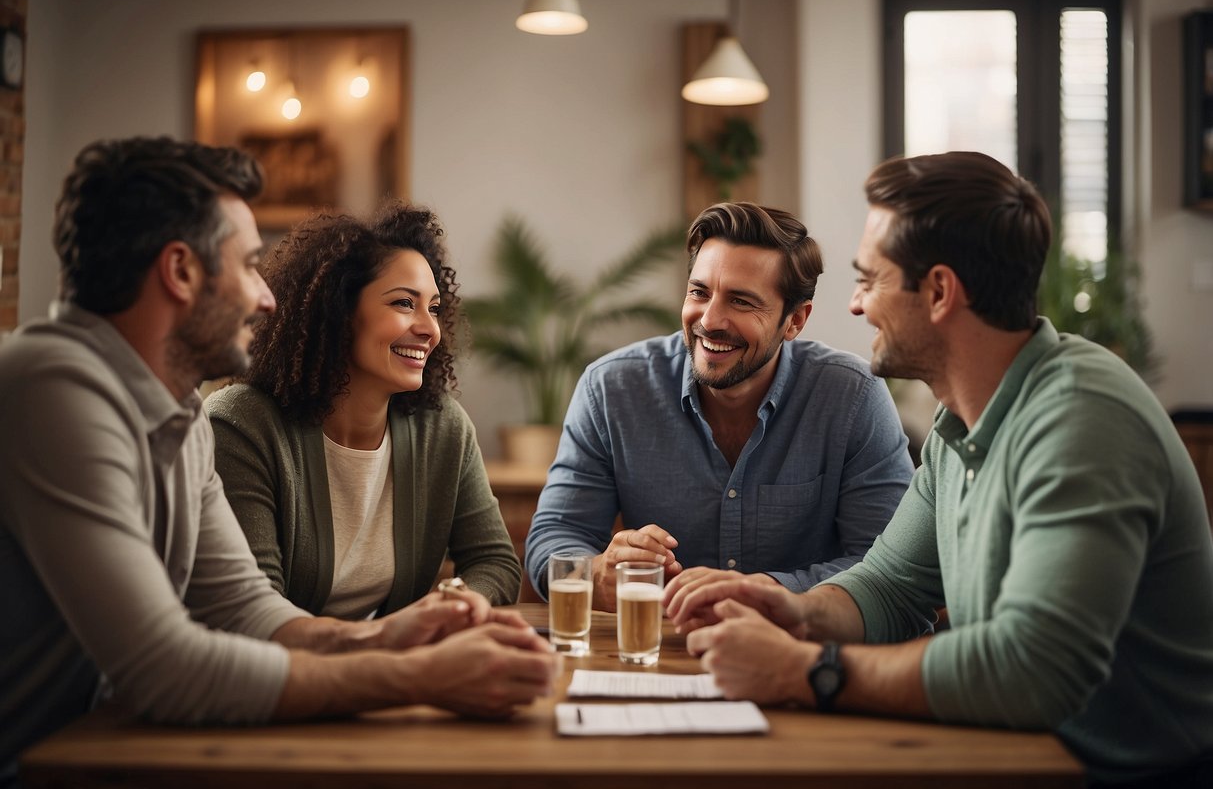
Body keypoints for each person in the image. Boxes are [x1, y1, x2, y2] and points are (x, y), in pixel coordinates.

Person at [0, 137, 557, 783]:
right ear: (180, 272)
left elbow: (245, 609)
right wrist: (415, 676)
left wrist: (387, 637)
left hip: (97, 751)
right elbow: (166, 669)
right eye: (248, 264)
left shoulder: (175, 409)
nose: (268, 298)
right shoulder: (53, 387)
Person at [666, 152, 1213, 788]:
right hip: (1020, 755)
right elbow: (891, 586)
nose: (854, 304)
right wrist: (794, 610)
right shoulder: (962, 424)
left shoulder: (1081, 418)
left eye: (870, 280)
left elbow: (1033, 671)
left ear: (939, 292)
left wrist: (806, 670)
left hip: (1133, 774)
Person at [525, 202, 914, 610]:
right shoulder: (611, 389)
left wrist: (764, 594)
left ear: (795, 320)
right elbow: (554, 536)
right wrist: (595, 573)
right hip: (657, 651)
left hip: (798, 656)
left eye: (741, 302)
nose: (709, 320)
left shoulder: (852, 397)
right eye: (699, 292)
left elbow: (889, 567)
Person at [206, 203, 521, 621]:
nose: (429, 329)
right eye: (404, 303)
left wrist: (459, 606)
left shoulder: (442, 426)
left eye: (434, 306)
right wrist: (392, 643)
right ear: (338, 311)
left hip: (398, 671)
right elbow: (255, 612)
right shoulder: (242, 425)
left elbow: (496, 563)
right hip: (286, 676)